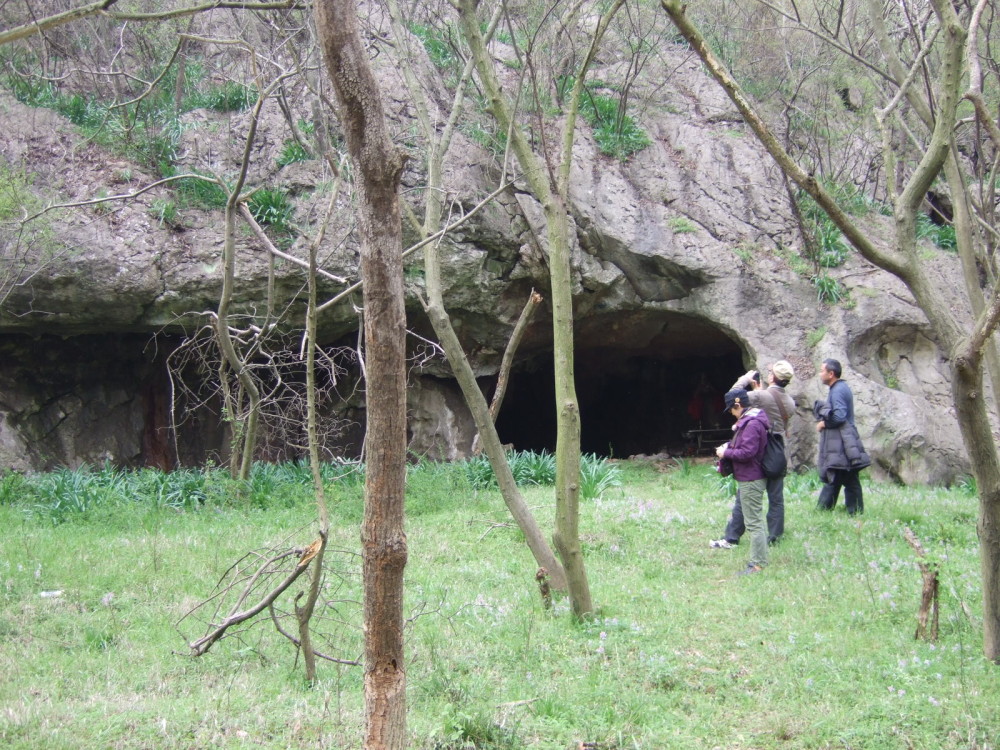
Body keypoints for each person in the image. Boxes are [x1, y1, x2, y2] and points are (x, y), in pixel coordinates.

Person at [710, 360, 796, 548]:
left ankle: (732, 537)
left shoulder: (761, 396)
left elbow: (734, 397)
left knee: (744, 495)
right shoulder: (790, 402)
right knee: (776, 498)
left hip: (758, 452)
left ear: (773, 376)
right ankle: (774, 537)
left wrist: (745, 379)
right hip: (778, 453)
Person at [715, 387, 770, 575]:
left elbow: (748, 453)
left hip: (751, 478)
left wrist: (726, 452)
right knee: (754, 520)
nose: (731, 412)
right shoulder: (748, 421)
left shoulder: (752, 424)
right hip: (749, 477)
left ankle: (757, 564)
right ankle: (759, 560)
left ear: (738, 405)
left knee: (754, 523)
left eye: (732, 408)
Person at [814, 358, 870, 514]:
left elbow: (839, 416)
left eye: (822, 370)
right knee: (846, 475)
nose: (820, 374)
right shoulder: (839, 388)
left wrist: (823, 423)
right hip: (844, 439)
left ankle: (825, 510)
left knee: (838, 473)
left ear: (831, 374)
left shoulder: (838, 390)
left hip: (843, 439)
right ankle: (854, 511)